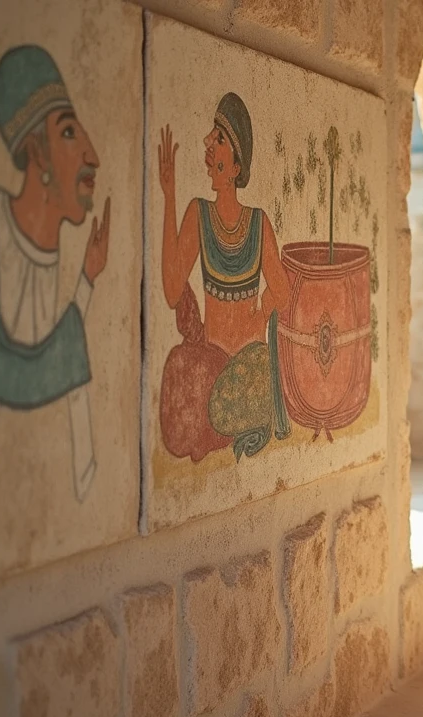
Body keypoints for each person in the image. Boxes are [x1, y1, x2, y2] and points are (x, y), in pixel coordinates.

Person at [0, 44, 110, 500]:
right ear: (36, 150)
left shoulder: (53, 256)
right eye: (69, 132)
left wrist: (88, 281)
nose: (92, 154)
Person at [157, 93, 293, 461]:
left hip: (249, 363)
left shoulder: (258, 223)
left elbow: (281, 290)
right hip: (212, 362)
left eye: (218, 138)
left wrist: (259, 313)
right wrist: (168, 195)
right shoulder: (198, 214)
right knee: (186, 385)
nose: (206, 143)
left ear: (235, 166)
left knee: (217, 407)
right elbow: (171, 290)